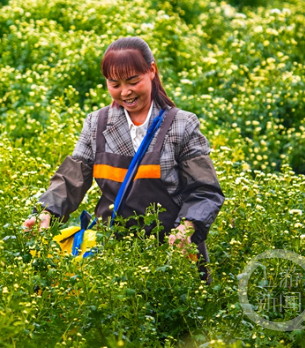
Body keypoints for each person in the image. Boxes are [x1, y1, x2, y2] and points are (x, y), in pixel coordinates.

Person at [23, 37, 224, 280]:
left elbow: (205, 190)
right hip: (112, 254)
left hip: (173, 252)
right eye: (114, 84)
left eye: (133, 81)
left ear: (151, 71)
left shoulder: (182, 124)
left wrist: (188, 227)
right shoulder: (97, 123)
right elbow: (72, 177)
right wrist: (46, 212)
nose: (125, 92)